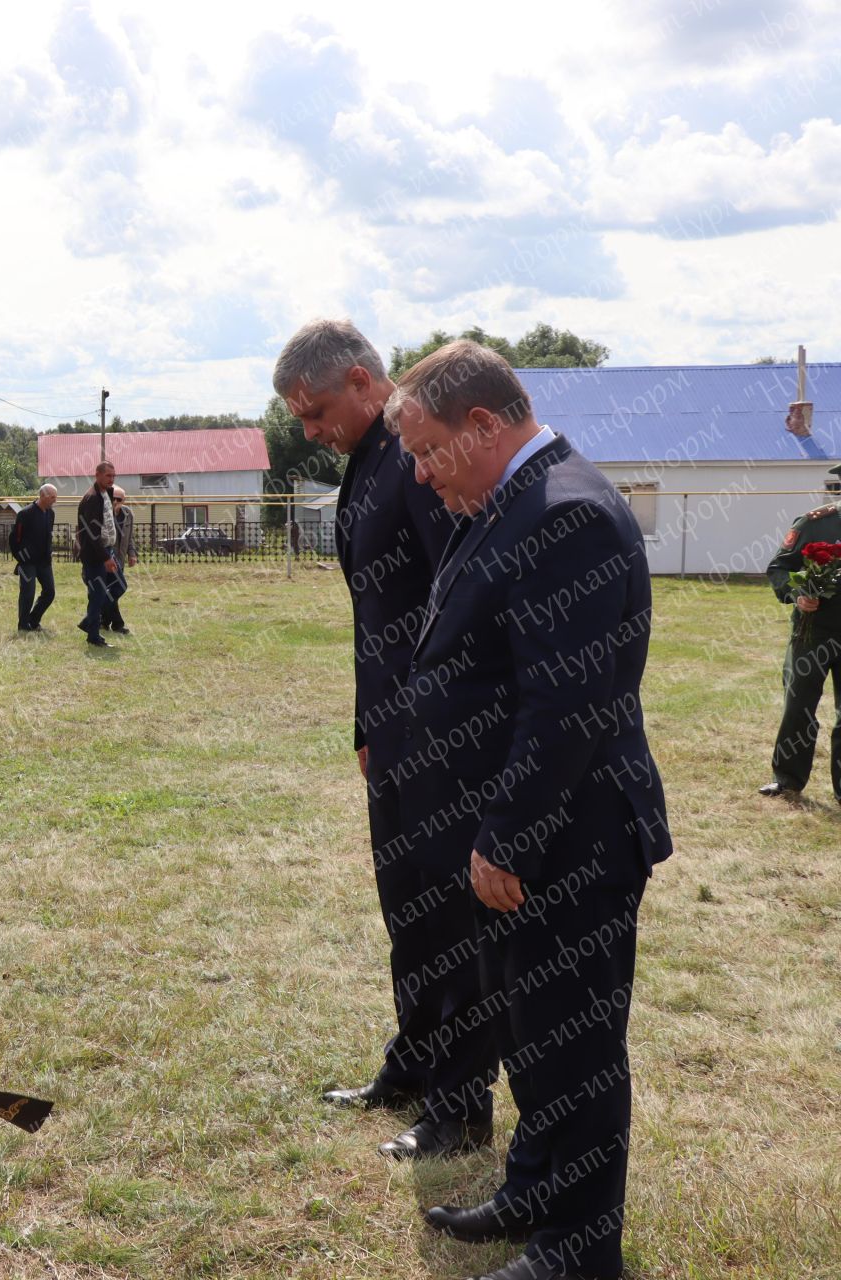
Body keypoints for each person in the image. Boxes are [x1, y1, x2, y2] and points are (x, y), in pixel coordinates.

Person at [391, 341, 669, 1280]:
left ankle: (583, 1244)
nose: (423, 477)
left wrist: (507, 836)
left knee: (576, 1043)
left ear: (482, 424)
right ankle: (535, 1192)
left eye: (429, 452)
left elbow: (568, 706)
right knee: (529, 1034)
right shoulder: (508, 497)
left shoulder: (566, 514)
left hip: (567, 840)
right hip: (521, 840)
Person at [272, 319, 477, 1161]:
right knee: (409, 913)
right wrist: (368, 726)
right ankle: (416, 1061)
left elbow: (455, 605)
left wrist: (433, 729)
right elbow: (376, 617)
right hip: (392, 736)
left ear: (363, 380)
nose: (312, 432)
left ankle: (462, 1104)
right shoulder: (368, 460)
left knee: (450, 920)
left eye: (318, 412)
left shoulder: (420, 462)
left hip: (439, 735)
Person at [761, 463, 841, 800]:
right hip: (813, 632)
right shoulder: (816, 523)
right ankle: (788, 779)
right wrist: (798, 595)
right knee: (798, 707)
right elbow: (779, 567)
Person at [75, 461, 123, 646]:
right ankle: (93, 636)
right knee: (97, 595)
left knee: (119, 587)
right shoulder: (92, 498)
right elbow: (92, 535)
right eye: (108, 475)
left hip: (107, 550)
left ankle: (88, 621)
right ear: (97, 475)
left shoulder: (107, 494)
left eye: (113, 476)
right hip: (96, 555)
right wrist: (105, 558)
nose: (111, 479)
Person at [11, 484, 58, 630]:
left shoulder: (51, 514)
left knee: (50, 592)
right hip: (28, 562)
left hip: (44, 562)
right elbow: (14, 539)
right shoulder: (25, 514)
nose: (55, 500)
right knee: (28, 593)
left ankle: (33, 620)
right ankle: (23, 625)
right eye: (52, 497)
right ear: (43, 496)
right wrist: (21, 558)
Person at [100, 484, 136, 634]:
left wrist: (132, 553)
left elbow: (130, 537)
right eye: (112, 498)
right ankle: (116, 624)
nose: (115, 501)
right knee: (114, 589)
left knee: (112, 592)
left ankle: (104, 621)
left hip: (120, 559)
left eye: (119, 499)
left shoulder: (128, 514)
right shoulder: (104, 513)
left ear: (124, 500)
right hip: (107, 559)